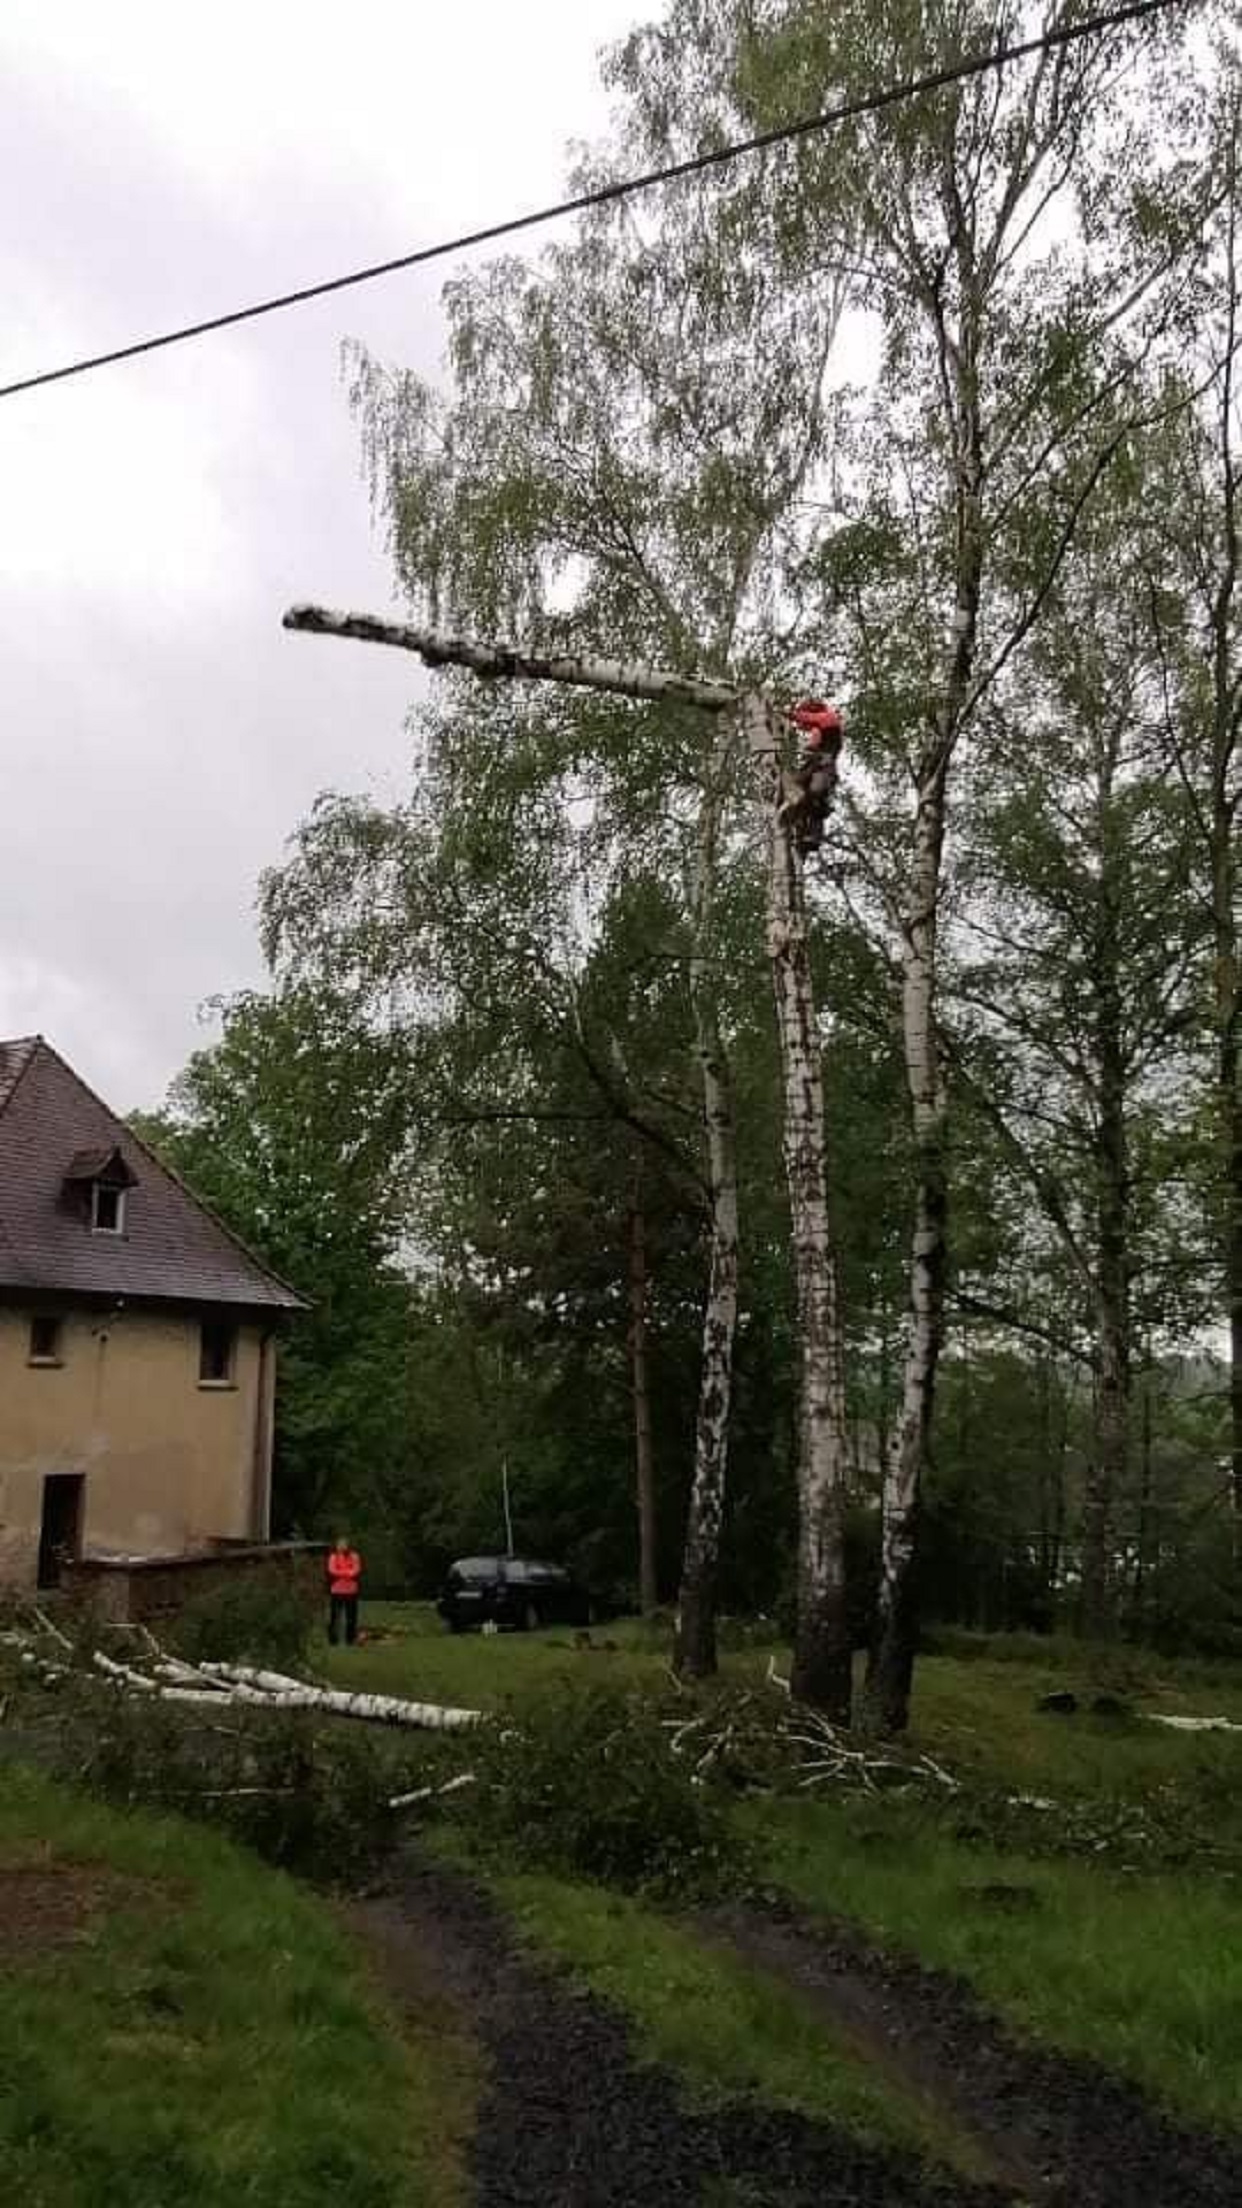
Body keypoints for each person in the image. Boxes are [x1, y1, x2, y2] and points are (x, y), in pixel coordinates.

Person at [786, 698, 843, 855]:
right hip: (816, 767)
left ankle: (812, 836)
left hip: (823, 768)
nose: (804, 729)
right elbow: (812, 744)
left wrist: (792, 715)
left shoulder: (828, 718)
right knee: (800, 794)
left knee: (816, 796)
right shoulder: (819, 730)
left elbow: (811, 720)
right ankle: (799, 830)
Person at [326, 1536, 363, 1646]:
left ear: (348, 1545)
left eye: (344, 1544)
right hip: (336, 1591)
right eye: (340, 1545)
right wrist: (347, 1573)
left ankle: (350, 1640)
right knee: (335, 1617)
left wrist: (342, 1572)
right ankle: (333, 1640)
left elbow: (356, 1570)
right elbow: (332, 1570)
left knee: (351, 1617)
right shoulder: (333, 1557)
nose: (342, 1547)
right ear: (337, 1546)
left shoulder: (355, 1556)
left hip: (351, 1591)